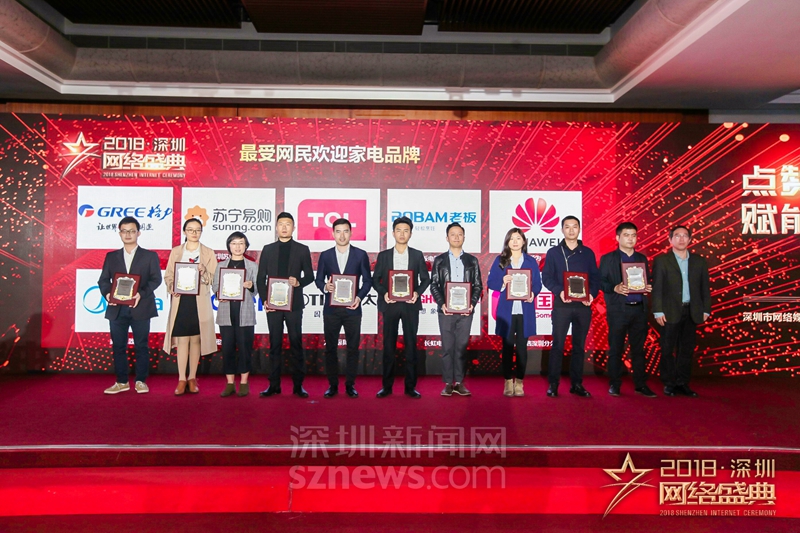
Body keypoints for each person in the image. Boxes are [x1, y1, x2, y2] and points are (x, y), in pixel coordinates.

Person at [99, 216, 162, 394]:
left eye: (132, 231)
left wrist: (141, 294)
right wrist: (108, 294)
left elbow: (156, 279)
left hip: (141, 307)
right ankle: (121, 381)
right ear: (119, 233)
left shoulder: (149, 256)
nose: (128, 234)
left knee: (142, 345)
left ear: (138, 233)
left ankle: (141, 380)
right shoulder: (111, 257)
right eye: (124, 231)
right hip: (116, 309)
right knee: (118, 346)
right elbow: (103, 280)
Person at [256, 212, 314, 398]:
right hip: (273, 304)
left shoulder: (302, 249)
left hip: (294, 305)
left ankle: (298, 385)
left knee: (296, 343)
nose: (284, 227)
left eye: (288, 224)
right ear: (276, 227)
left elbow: (310, 276)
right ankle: (274, 385)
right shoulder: (268, 249)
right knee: (275, 344)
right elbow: (260, 278)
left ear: (293, 228)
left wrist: (299, 282)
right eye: (281, 224)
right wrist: (264, 300)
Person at [542, 216, 601, 398]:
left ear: (579, 229)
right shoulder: (554, 252)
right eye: (567, 227)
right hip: (562, 305)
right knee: (558, 345)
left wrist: (591, 294)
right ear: (562, 230)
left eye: (574, 226)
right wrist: (559, 291)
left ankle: (576, 384)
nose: (571, 230)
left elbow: (595, 278)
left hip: (583, 306)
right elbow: (547, 277)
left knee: (579, 347)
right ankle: (553, 384)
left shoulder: (588, 253)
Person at [372, 216, 431, 399]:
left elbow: (425, 279)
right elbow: (375, 280)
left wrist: (417, 293)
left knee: (411, 346)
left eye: (406, 231)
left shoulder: (417, 255)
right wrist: (384, 293)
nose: (402, 234)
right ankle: (387, 387)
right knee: (388, 346)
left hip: (410, 305)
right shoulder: (383, 256)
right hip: (390, 305)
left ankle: (410, 387)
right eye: (399, 230)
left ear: (411, 234)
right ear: (393, 233)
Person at [315, 218, 373, 398]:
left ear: (351, 233)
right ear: (333, 234)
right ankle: (332, 385)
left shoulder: (360, 255)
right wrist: (325, 287)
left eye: (345, 231)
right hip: (331, 309)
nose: (342, 235)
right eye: (338, 231)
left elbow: (368, 281)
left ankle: (350, 385)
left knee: (353, 348)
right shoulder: (325, 255)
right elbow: (318, 279)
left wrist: (359, 297)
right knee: (330, 349)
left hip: (352, 309)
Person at [651, 225, 711, 397]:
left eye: (685, 235)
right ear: (670, 240)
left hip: (692, 311)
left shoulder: (699, 261)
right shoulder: (662, 260)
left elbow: (705, 288)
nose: (681, 239)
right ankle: (669, 383)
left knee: (686, 349)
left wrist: (706, 309)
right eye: (677, 235)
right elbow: (657, 288)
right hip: (669, 311)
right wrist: (658, 310)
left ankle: (682, 383)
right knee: (667, 349)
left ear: (690, 239)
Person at [599, 222, 656, 398]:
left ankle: (640, 384)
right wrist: (614, 288)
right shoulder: (608, 259)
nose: (630, 239)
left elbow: (646, 279)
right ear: (618, 238)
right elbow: (601, 282)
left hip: (639, 310)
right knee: (616, 349)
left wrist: (647, 287)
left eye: (633, 235)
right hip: (618, 310)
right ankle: (614, 384)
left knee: (638, 350)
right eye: (626, 235)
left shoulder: (642, 258)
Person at [163, 217, 218, 395]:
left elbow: (214, 279)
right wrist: (172, 287)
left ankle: (192, 378)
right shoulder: (176, 252)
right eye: (190, 230)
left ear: (201, 232)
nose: (194, 233)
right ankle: (181, 379)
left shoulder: (208, 253)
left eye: (197, 230)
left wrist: (204, 272)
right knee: (182, 340)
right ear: (184, 232)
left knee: (196, 339)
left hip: (199, 300)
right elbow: (168, 276)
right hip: (181, 300)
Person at [430, 222, 483, 397]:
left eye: (459, 234)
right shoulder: (439, 260)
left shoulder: (472, 260)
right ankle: (447, 383)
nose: (456, 237)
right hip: (446, 311)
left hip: (466, 312)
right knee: (447, 347)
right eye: (452, 234)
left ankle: (459, 383)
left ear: (464, 237)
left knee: (461, 347)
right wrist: (442, 303)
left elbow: (478, 285)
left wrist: (472, 304)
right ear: (447, 238)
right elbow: (434, 285)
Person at [486, 227, 540, 397]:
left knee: (522, 348)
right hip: (507, 312)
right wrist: (502, 282)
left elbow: (537, 284)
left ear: (524, 241)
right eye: (512, 238)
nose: (515, 242)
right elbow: (491, 282)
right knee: (507, 347)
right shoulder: (500, 260)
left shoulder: (531, 261)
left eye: (518, 238)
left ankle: (520, 382)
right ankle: (508, 381)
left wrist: (532, 293)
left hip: (525, 311)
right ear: (507, 242)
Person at [212, 232, 258, 397]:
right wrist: (219, 294)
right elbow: (215, 286)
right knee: (228, 348)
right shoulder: (221, 266)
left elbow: (257, 290)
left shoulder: (252, 266)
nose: (237, 247)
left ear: (246, 246)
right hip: (226, 313)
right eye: (234, 243)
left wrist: (251, 286)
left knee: (245, 348)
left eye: (241, 243)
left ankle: (244, 382)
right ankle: (230, 383)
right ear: (229, 246)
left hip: (245, 314)